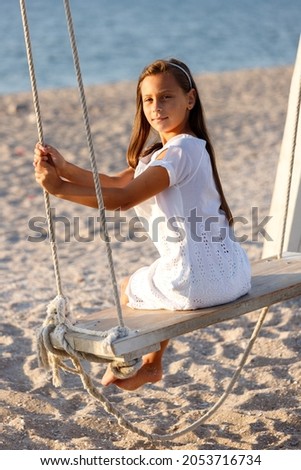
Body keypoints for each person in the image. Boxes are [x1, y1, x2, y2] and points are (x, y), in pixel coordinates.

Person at [34, 58, 251, 391]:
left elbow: (124, 199)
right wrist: (64, 167)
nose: (156, 107)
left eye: (166, 97)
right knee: (157, 275)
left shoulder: (178, 154)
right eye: (148, 99)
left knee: (128, 286)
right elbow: (116, 182)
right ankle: (151, 365)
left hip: (195, 283)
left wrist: (60, 189)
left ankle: (147, 363)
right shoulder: (177, 152)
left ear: (189, 100)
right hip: (235, 275)